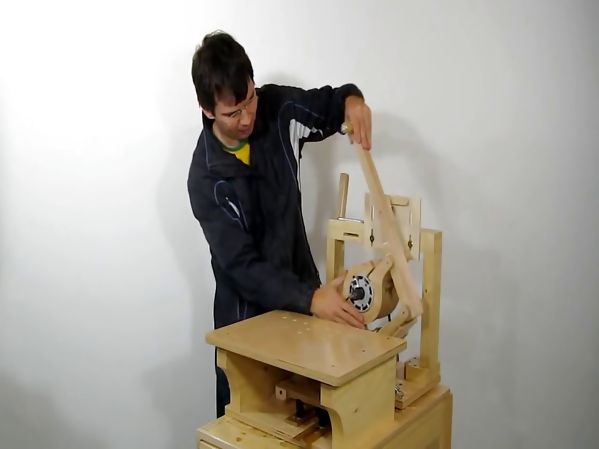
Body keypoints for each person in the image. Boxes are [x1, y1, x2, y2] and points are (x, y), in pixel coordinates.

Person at [187, 31, 372, 417]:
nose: (247, 118)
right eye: (233, 113)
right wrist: (310, 298)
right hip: (246, 330)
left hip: (305, 312)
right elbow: (242, 267)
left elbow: (329, 105)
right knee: (251, 429)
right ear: (207, 110)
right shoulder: (205, 179)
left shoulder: (278, 109)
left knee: (314, 420)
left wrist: (351, 100)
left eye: (250, 100)